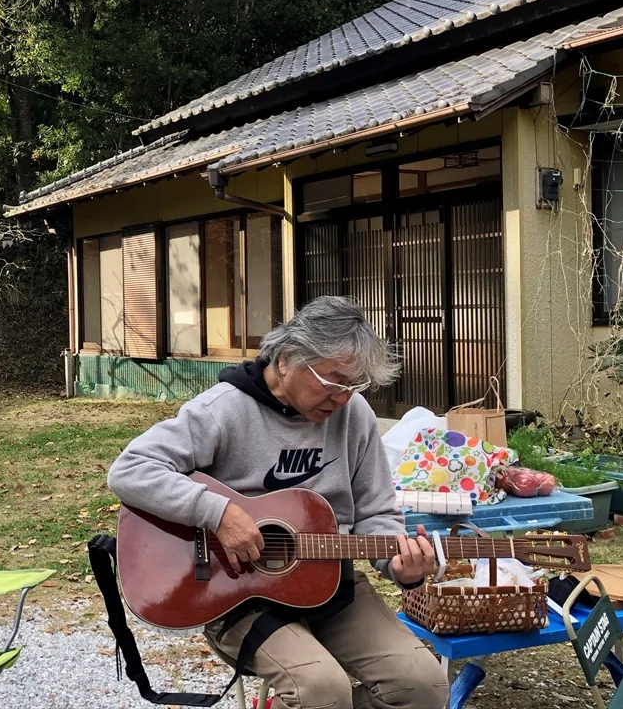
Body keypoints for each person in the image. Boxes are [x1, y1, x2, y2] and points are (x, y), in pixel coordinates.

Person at [107, 296, 450, 709]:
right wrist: (219, 514)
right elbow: (130, 470)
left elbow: (377, 512)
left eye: (354, 386)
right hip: (237, 595)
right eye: (334, 381)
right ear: (287, 359)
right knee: (319, 690)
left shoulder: (355, 415)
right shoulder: (223, 409)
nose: (342, 398)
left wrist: (399, 566)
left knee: (423, 685)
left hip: (331, 587)